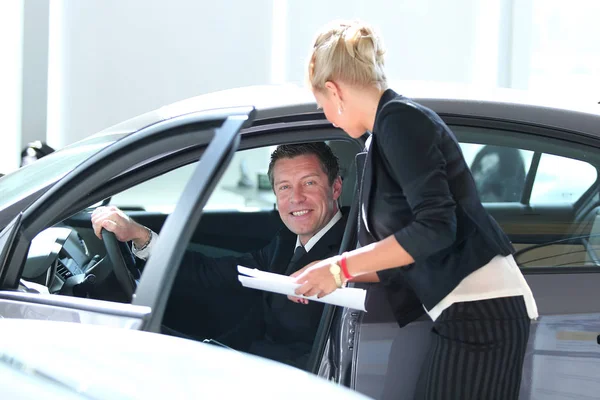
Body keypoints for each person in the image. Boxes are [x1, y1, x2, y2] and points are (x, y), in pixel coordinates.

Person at [290, 20, 538, 399]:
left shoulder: (401, 121)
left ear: (334, 90)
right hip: (462, 312)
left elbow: (437, 227)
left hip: (481, 314)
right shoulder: (385, 132)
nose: (326, 116)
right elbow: (410, 251)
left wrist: (340, 267)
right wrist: (325, 277)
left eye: (322, 105)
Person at [91, 142, 346, 369]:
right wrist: (140, 235)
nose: (296, 198)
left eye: (309, 183)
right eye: (285, 187)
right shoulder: (286, 242)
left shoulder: (350, 254)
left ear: (335, 187)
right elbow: (211, 273)